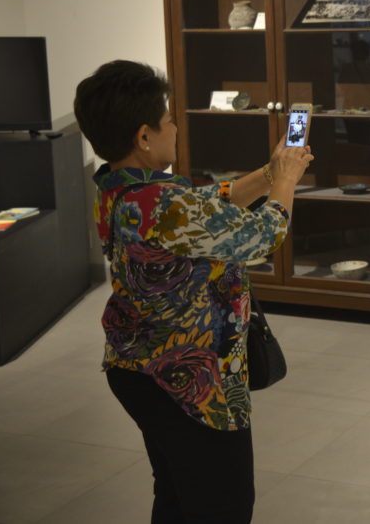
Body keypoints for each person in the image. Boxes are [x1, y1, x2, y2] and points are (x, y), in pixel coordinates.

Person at [73, 60, 313, 523]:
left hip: (137, 367)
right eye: (169, 121)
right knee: (223, 505)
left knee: (177, 493)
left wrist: (270, 172)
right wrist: (286, 180)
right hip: (189, 382)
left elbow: (210, 204)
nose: (176, 129)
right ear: (145, 137)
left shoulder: (119, 189)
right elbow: (262, 236)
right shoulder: (164, 203)